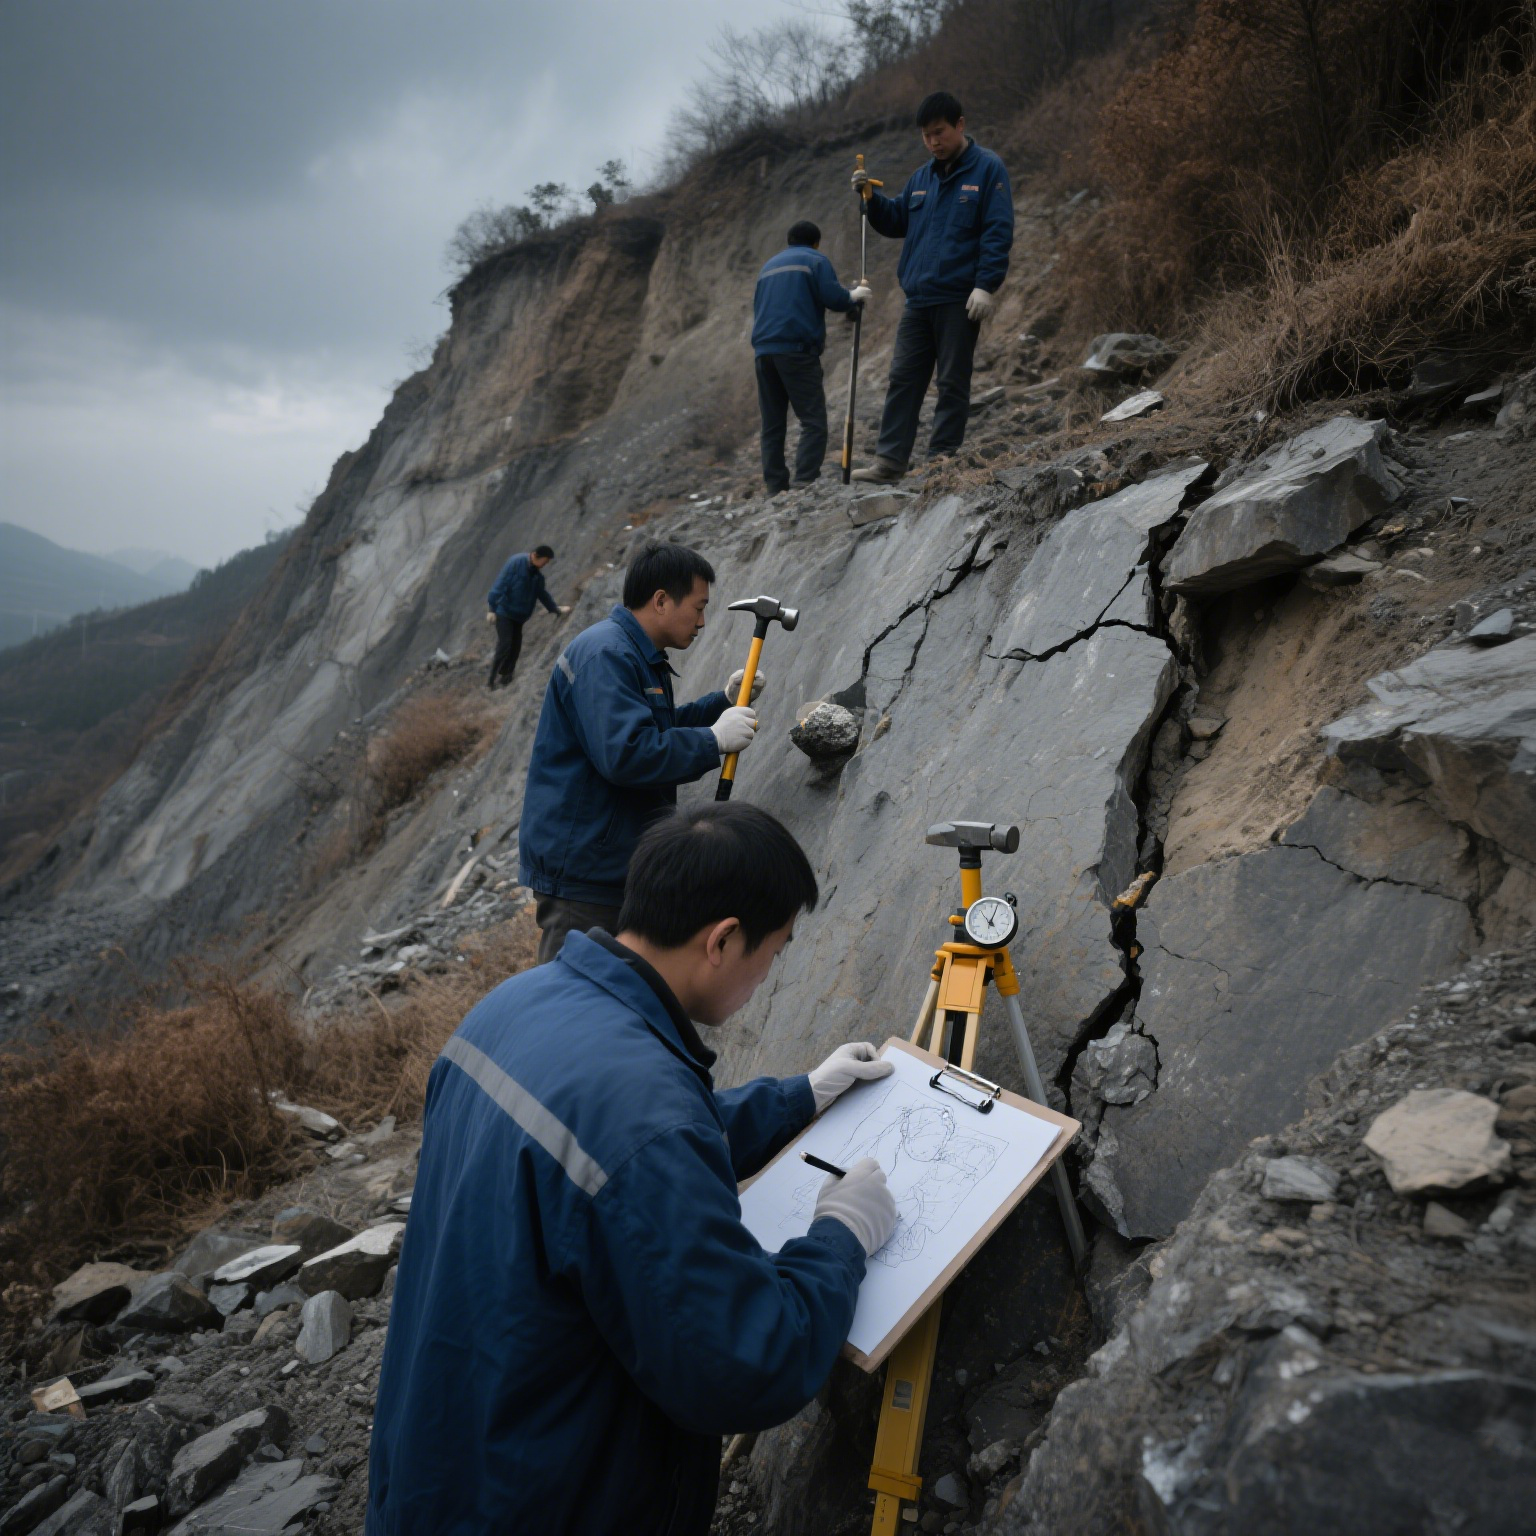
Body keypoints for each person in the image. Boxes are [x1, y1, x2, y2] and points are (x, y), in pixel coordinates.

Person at [366, 803, 899, 1535]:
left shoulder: (514, 1005)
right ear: (723, 940)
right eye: (774, 953)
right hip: (548, 1501)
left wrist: (799, 1097)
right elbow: (746, 1363)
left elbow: (604, 1153)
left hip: (439, 1463)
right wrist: (839, 1237)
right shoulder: (645, 1121)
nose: (768, 975)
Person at [518, 540, 764, 964]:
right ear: (662, 601)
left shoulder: (634, 653)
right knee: (578, 996)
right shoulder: (606, 655)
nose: (702, 621)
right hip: (586, 878)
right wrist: (713, 741)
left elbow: (655, 730)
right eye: (698, 607)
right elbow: (626, 753)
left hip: (612, 867)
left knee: (615, 994)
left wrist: (722, 702)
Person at [849, 91, 1014, 483]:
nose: (933, 142)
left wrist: (986, 285)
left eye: (939, 132)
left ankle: (940, 463)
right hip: (919, 298)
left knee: (952, 381)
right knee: (903, 378)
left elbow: (997, 229)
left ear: (960, 125)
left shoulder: (988, 169)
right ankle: (890, 463)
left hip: (960, 297)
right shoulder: (921, 178)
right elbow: (896, 221)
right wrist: (872, 199)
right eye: (926, 136)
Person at [751, 219, 871, 495]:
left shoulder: (768, 267)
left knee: (772, 424)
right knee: (813, 421)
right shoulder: (815, 260)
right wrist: (854, 295)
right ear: (816, 242)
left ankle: (775, 487)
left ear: (789, 240)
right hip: (796, 350)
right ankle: (804, 481)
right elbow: (834, 298)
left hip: (764, 352)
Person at [485, 543, 570, 690]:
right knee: (505, 644)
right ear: (536, 556)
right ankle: (491, 681)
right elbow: (500, 585)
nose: (545, 564)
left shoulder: (537, 576)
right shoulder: (516, 563)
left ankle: (505, 679)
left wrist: (554, 609)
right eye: (545, 561)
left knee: (515, 648)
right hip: (505, 612)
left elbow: (542, 594)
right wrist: (492, 609)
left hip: (520, 616)